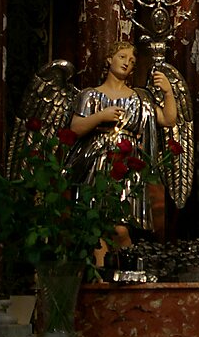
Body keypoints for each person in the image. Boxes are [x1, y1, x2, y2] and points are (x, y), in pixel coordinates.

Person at [67, 41, 177, 238]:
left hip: (126, 165)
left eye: (132, 61)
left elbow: (168, 120)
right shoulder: (90, 95)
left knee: (120, 228)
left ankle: (123, 258)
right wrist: (101, 116)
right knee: (94, 229)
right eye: (122, 57)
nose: (127, 63)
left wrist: (168, 92)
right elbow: (75, 129)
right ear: (110, 59)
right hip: (96, 163)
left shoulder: (140, 99)